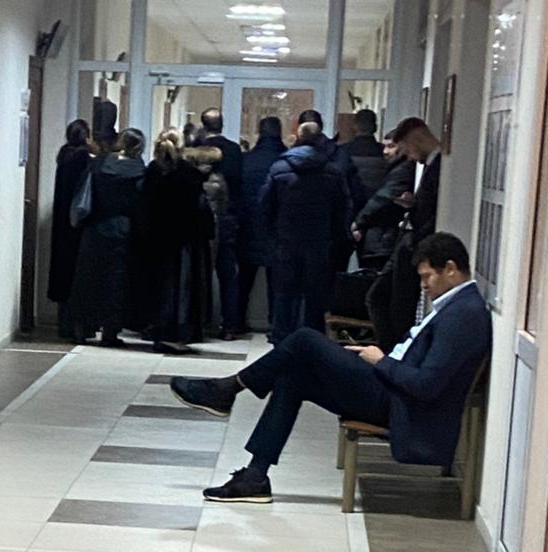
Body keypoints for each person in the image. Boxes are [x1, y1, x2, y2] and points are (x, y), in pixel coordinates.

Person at [170, 232, 491, 504]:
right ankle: (255, 475)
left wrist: (381, 361)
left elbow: (427, 385)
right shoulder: (457, 306)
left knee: (305, 339)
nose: (423, 286)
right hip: (390, 386)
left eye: (427, 277)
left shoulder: (463, 315)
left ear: (451, 269)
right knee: (294, 376)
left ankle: (228, 389)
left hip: (397, 402)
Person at [261, 122, 350, 343]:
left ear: (297, 138)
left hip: (285, 241)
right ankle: (310, 340)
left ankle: (281, 339)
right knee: (314, 296)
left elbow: (265, 206)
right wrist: (338, 237)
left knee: (284, 294)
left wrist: (271, 235)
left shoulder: (279, 168)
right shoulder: (332, 171)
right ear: (320, 139)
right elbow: (342, 208)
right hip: (319, 241)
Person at [366, 117, 443, 352]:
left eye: (407, 149)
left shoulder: (440, 166)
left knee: (399, 306)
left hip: (415, 243)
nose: (409, 157)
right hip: (409, 240)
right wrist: (412, 203)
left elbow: (435, 212)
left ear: (416, 139)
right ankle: (391, 352)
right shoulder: (432, 166)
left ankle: (394, 354)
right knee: (380, 297)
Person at [68, 128, 146, 347]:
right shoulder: (139, 170)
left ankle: (81, 327)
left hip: (95, 227)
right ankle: (110, 331)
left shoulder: (99, 164)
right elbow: (141, 204)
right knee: (116, 282)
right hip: (123, 229)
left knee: (88, 278)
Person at [142, 129, 214, 351]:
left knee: (157, 285)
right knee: (182, 287)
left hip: (156, 239)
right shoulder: (189, 173)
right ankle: (179, 330)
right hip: (184, 238)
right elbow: (199, 208)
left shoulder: (153, 171)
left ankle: (157, 328)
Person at [195, 107, 244, 340]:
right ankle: (230, 325)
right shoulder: (234, 150)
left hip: (201, 217)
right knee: (228, 274)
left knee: (198, 271)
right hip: (228, 216)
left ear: (204, 125)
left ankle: (196, 322)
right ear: (222, 125)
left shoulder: (197, 150)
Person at [298, 109, 366, 273]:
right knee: (333, 281)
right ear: (321, 127)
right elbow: (356, 194)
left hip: (300, 233)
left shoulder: (291, 159)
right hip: (336, 232)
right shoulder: (341, 154)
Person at [238, 116, 286, 333]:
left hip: (247, 227)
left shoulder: (246, 160)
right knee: (277, 284)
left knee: (244, 281)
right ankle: (275, 325)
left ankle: (237, 321)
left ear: (259, 133)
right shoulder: (285, 161)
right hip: (277, 229)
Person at [47, 119, 95, 337]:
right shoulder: (85, 160)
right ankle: (79, 325)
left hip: (61, 222)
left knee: (63, 271)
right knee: (79, 275)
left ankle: (63, 323)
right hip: (80, 223)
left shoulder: (63, 156)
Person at [351, 128, 416, 270]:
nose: (385, 151)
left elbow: (382, 199)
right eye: (384, 146)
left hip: (384, 237)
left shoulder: (403, 170)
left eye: (391, 146)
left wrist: (358, 222)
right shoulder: (396, 169)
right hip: (384, 236)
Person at [347, 109, 388, 197]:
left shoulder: (342, 151)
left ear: (354, 126)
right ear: (375, 127)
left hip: (351, 200)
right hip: (379, 201)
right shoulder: (386, 152)